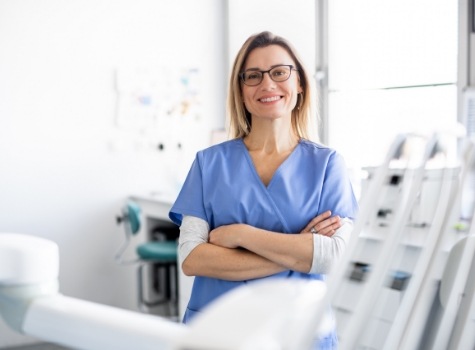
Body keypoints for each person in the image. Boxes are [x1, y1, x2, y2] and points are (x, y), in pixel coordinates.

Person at [169, 31, 358, 349]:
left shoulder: (328, 165)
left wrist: (241, 235)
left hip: (299, 330)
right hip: (220, 330)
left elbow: (334, 257)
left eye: (280, 72)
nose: (267, 85)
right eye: (253, 76)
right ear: (241, 91)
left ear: (299, 83)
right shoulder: (209, 163)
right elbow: (192, 258)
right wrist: (301, 250)